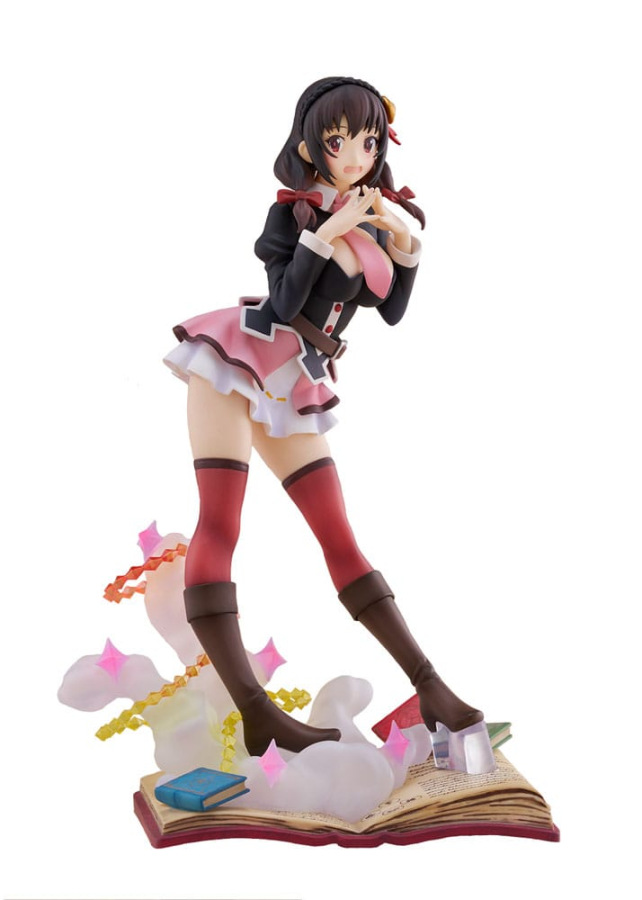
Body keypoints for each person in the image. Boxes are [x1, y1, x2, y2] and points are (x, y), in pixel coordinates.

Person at [164, 76, 487, 761]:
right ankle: (257, 712)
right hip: (238, 360)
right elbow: (283, 305)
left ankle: (429, 686)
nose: (356, 155)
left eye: (368, 141)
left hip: (298, 379)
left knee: (338, 534)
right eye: (339, 141)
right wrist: (326, 234)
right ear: (312, 146)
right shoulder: (294, 213)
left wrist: (407, 249)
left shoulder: (370, 217)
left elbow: (390, 311)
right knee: (222, 522)